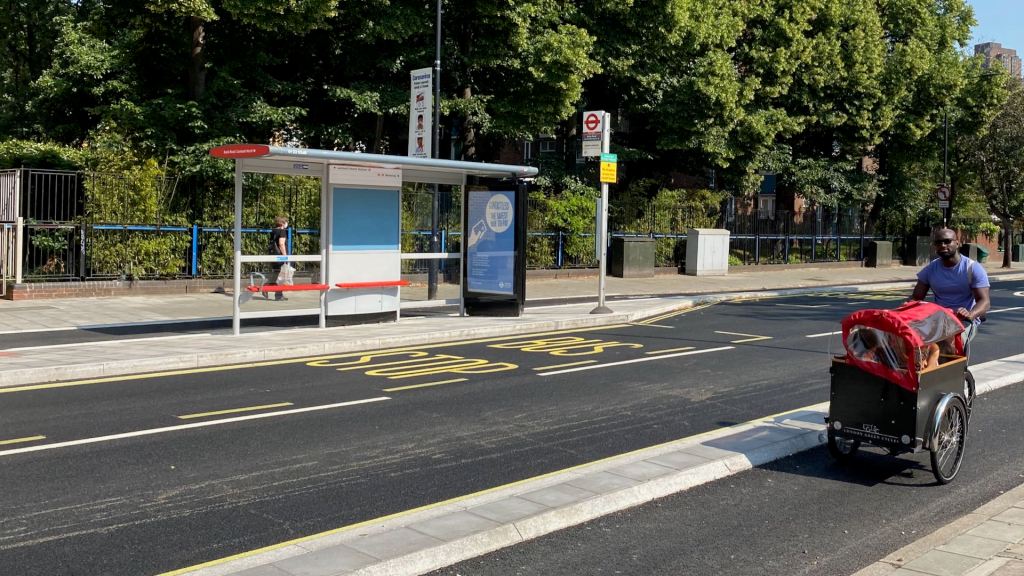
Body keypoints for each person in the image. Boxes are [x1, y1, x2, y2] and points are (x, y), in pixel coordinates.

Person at [910, 228, 991, 353]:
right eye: (938, 243)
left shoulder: (972, 268)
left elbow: (984, 302)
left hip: (965, 320)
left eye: (947, 241)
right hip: (940, 318)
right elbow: (915, 299)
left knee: (947, 343)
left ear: (957, 243)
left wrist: (970, 314)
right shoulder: (931, 269)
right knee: (910, 338)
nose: (943, 245)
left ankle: (955, 370)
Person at [265, 215, 289, 301]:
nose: (287, 224)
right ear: (282, 223)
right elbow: (281, 244)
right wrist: (285, 256)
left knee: (276, 274)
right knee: (280, 275)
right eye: (286, 222)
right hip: (280, 256)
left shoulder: (273, 231)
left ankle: (269, 289)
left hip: (272, 255)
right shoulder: (282, 231)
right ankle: (278, 295)